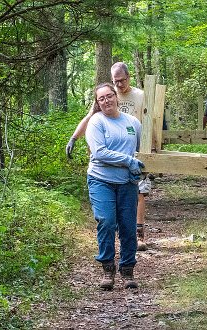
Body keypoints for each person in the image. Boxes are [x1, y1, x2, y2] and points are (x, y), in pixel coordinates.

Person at [66, 62, 150, 252]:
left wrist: (150, 150)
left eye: (122, 81)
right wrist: (74, 137)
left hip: (133, 151)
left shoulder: (140, 96)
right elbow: (89, 118)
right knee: (108, 218)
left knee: (141, 193)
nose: (119, 85)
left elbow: (150, 120)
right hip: (107, 162)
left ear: (129, 77)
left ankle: (139, 234)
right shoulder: (105, 96)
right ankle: (110, 255)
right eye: (116, 81)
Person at [85, 83, 143, 290]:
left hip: (127, 182)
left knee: (128, 227)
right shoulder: (96, 122)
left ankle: (127, 270)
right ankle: (108, 269)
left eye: (109, 96)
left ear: (116, 97)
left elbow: (139, 151)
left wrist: (137, 165)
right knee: (107, 221)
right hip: (101, 180)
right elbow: (99, 152)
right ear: (98, 103)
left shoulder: (133, 123)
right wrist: (128, 161)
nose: (107, 101)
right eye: (101, 99)